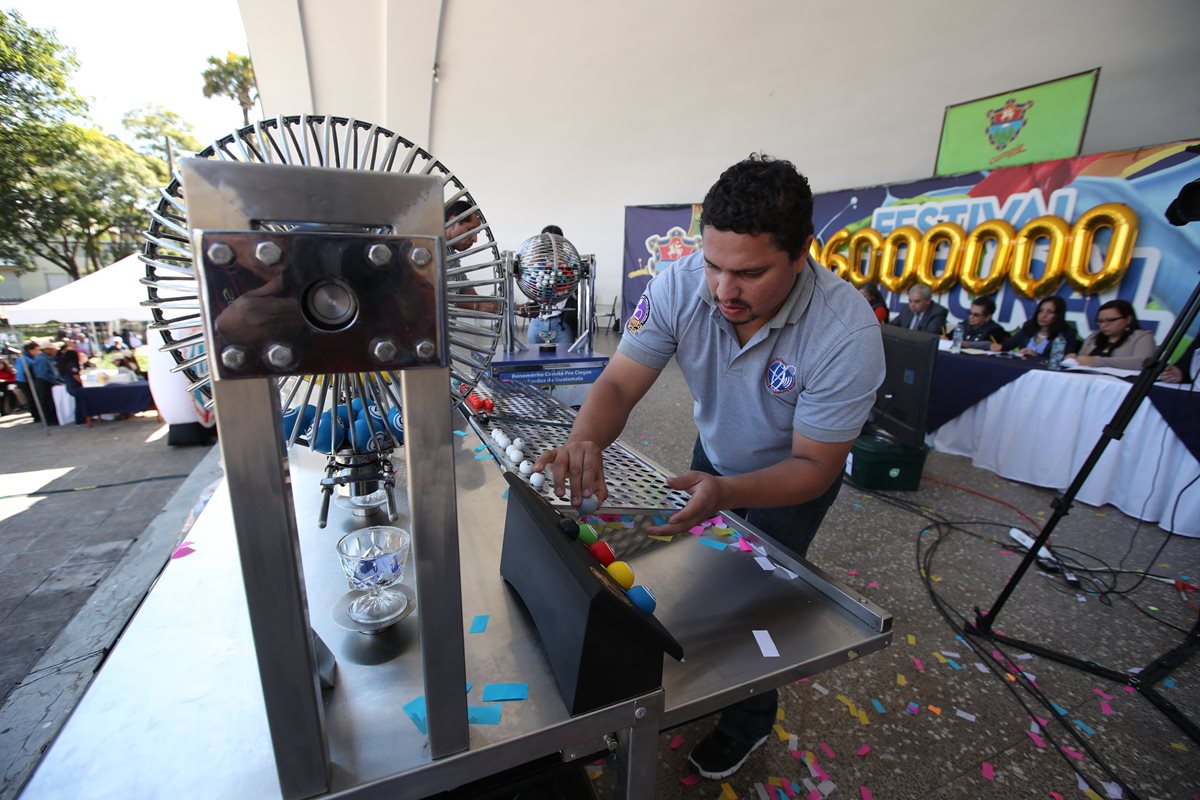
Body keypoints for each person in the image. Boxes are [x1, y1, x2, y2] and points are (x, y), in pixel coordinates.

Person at [533, 154, 885, 780]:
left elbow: (813, 466)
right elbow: (617, 384)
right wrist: (584, 438)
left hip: (790, 483)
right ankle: (691, 680)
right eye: (715, 265)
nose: (723, 291)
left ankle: (747, 722)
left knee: (753, 602)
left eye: (749, 273)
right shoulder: (678, 284)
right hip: (712, 459)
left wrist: (729, 491)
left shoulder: (845, 333)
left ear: (802, 253)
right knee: (695, 574)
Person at [445, 200, 501, 314]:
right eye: (470, 230)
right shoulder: (430, 252)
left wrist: (491, 304)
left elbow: (464, 288)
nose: (475, 239)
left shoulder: (451, 256)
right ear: (452, 222)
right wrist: (477, 306)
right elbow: (432, 295)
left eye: (477, 233)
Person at [527, 224, 578, 346]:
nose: (551, 246)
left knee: (564, 361)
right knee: (533, 360)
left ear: (561, 243)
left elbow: (573, 285)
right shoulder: (535, 263)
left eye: (555, 242)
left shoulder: (570, 263)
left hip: (561, 323)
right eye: (546, 242)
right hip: (537, 321)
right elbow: (529, 284)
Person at [1067, 299, 1156, 370]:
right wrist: (1074, 358)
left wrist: (1095, 361)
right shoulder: (1093, 337)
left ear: (1128, 319)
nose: (1103, 325)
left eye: (1110, 320)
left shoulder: (1142, 336)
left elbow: (1143, 362)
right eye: (1100, 321)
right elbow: (1082, 359)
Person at [993, 295, 1081, 358]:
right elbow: (1006, 346)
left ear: (1058, 315)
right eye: (1041, 311)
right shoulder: (1028, 328)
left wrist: (1037, 356)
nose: (1043, 315)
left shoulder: (1067, 334)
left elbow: (1063, 361)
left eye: (1050, 312)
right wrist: (998, 347)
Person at [30, 342, 62, 425]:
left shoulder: (46, 358)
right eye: (53, 350)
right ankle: (49, 420)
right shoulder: (43, 359)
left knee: (48, 401)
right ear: (47, 349)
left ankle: (51, 419)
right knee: (47, 402)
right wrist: (55, 382)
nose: (54, 352)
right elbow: (44, 374)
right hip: (43, 382)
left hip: (45, 381)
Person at [14, 343, 39, 419]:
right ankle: (35, 415)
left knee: (34, 397)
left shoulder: (31, 357)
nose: (38, 351)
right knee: (31, 398)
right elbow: (21, 372)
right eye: (36, 350)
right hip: (24, 381)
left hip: (29, 380)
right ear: (30, 350)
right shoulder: (22, 359)